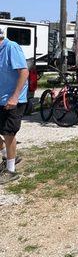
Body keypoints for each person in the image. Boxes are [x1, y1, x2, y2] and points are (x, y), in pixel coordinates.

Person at [0, 27, 28, 184]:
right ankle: (8, 156)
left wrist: (15, 97)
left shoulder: (11, 47)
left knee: (9, 133)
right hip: (1, 97)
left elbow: (24, 72)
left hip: (13, 99)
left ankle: (10, 171)